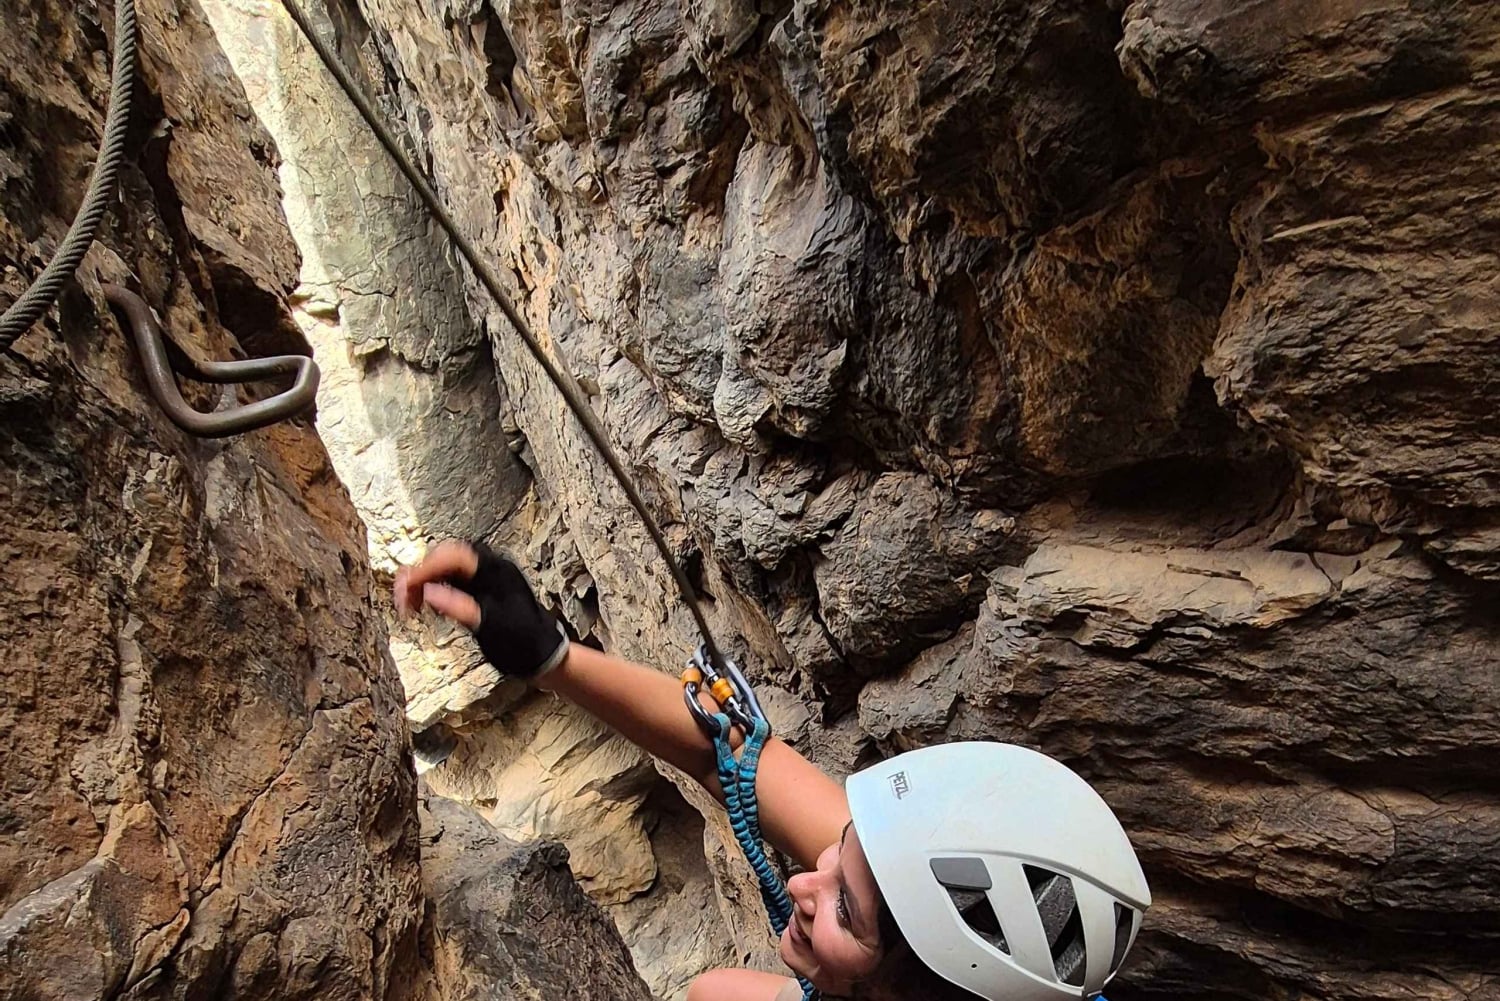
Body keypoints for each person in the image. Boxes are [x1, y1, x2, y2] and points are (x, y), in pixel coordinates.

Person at [395, 540, 1152, 1001]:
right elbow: (722, 751)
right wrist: (549, 655)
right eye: (840, 853)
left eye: (845, 910)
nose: (802, 882)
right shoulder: (911, 901)